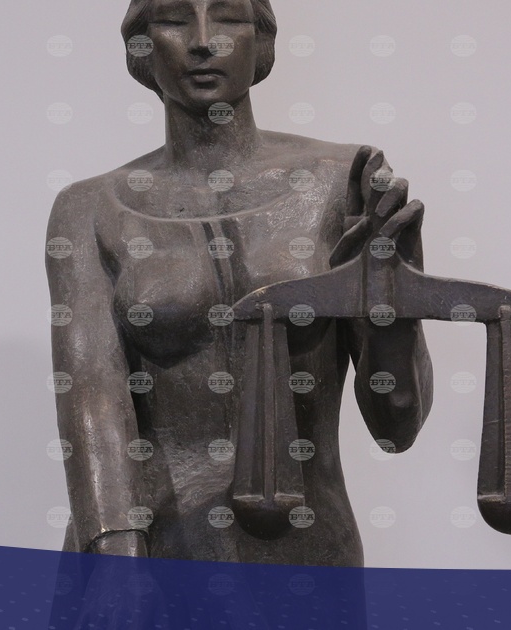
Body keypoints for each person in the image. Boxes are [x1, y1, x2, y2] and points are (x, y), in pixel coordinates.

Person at [45, 0, 433, 567]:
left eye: (227, 15)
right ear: (141, 45)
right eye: (174, 18)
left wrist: (393, 309)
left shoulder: (341, 183)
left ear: (262, 41)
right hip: (149, 552)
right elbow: (91, 394)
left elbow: (396, 425)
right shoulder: (91, 208)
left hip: (307, 547)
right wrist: (113, 550)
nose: (203, 39)